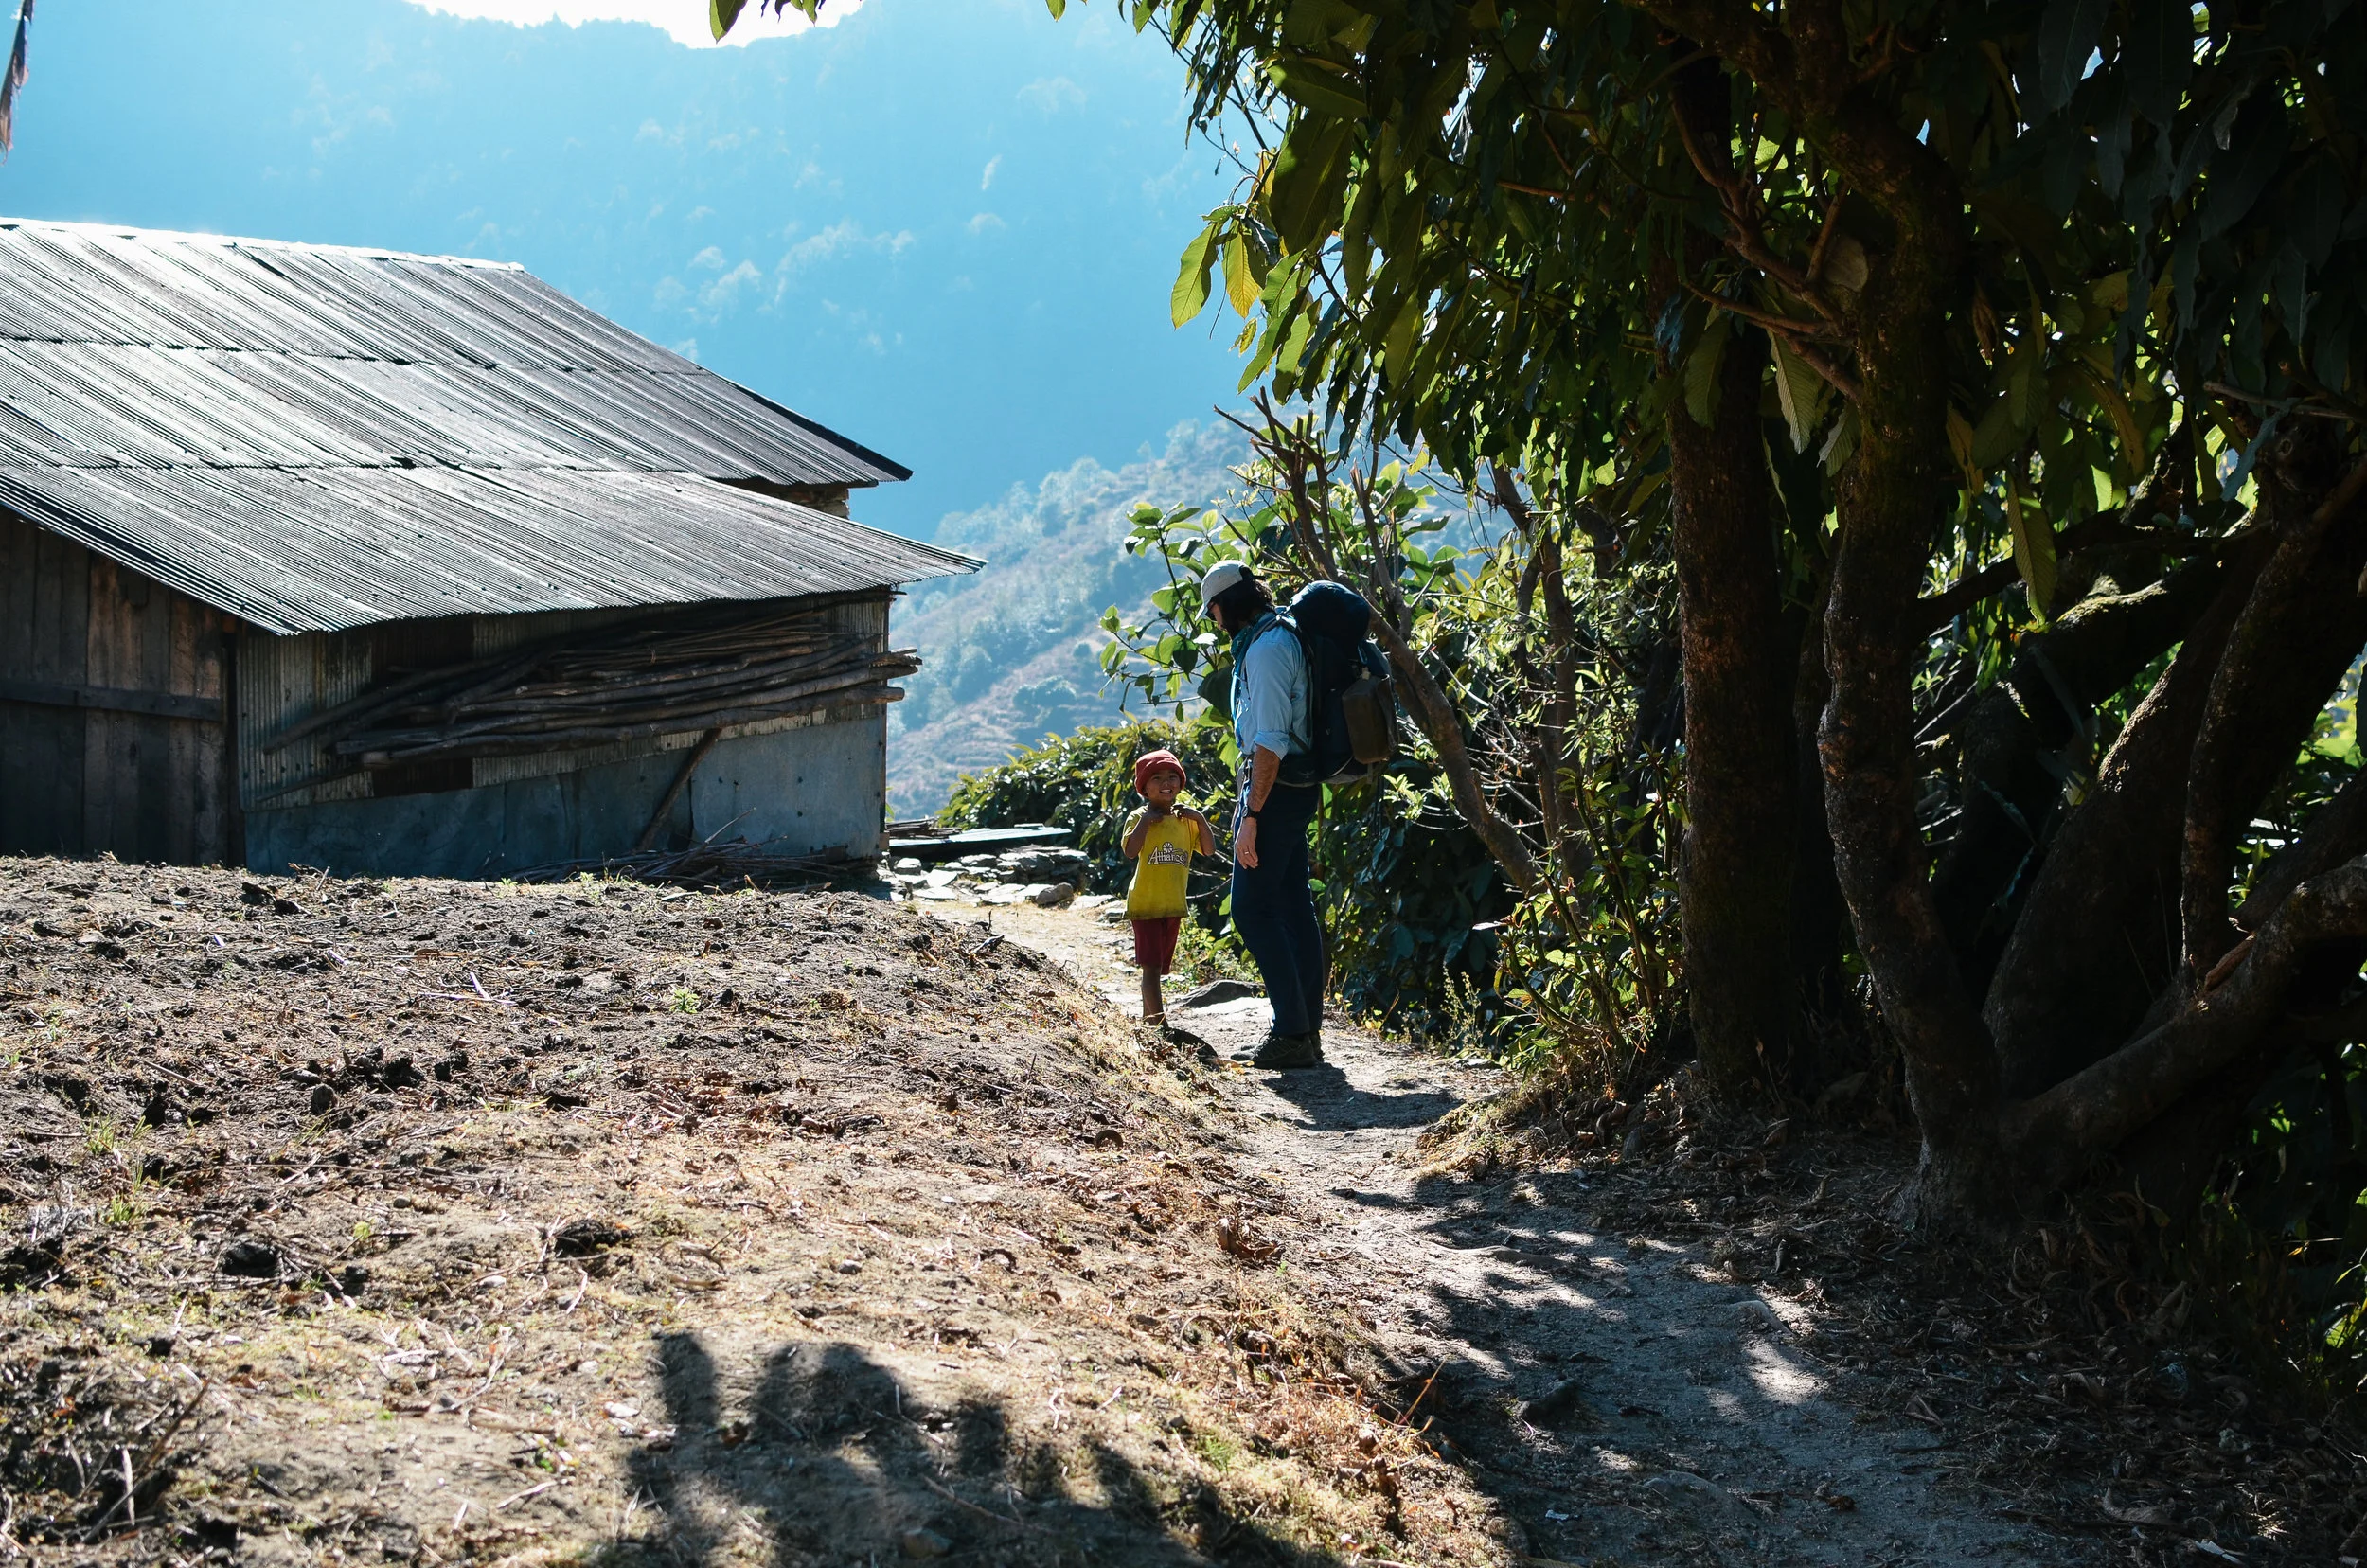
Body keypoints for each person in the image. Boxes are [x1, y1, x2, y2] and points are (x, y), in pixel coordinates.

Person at [1198, 561, 1326, 1069]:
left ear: (1227, 603)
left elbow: (1270, 741)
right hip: (1290, 789)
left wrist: (1252, 813)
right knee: (1293, 904)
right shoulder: (1274, 639)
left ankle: (1293, 1031)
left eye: (1213, 609)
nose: (1213, 620)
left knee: (1251, 908)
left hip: (1276, 789)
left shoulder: (1269, 650)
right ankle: (1305, 1031)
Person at [1119, 748, 1214, 1025]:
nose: (1166, 783)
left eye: (1173, 777)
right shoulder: (1138, 817)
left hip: (1173, 905)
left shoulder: (1186, 820)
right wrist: (1146, 823)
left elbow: (1208, 850)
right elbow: (1130, 851)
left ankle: (1149, 1020)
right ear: (1144, 789)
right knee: (1151, 968)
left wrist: (1200, 819)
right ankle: (1159, 1025)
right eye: (1157, 778)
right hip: (1146, 904)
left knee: (1158, 969)